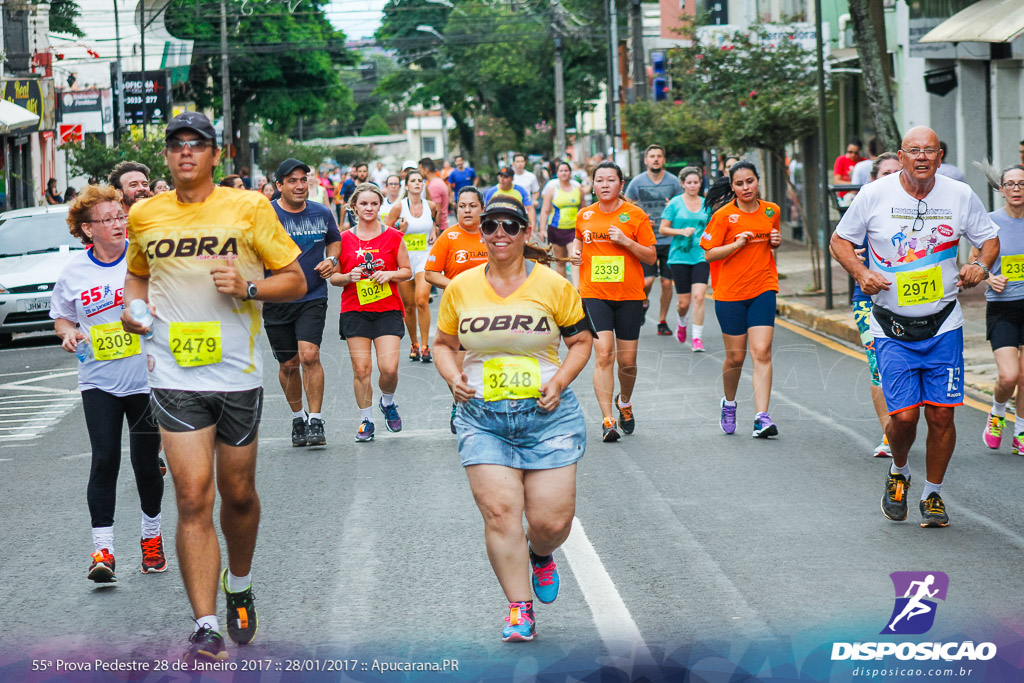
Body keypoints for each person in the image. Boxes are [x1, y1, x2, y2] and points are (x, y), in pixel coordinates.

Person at [120, 111, 306, 662]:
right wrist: (133, 309)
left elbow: (294, 280)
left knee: (238, 494)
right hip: (173, 372)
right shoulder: (144, 215)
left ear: (214, 154)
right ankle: (204, 624)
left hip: (237, 373)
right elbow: (136, 274)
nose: (184, 153)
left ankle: (240, 583)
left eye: (195, 145)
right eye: (175, 144)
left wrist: (249, 286)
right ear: (167, 156)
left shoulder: (248, 207)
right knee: (193, 494)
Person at [433, 194, 594, 642]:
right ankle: (519, 608)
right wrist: (452, 377)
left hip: (549, 415)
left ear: (525, 232)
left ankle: (540, 554)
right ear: (480, 232)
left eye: (509, 226)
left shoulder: (553, 285)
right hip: (482, 415)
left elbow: (582, 341)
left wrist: (560, 381)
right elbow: (444, 344)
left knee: (550, 524)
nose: (499, 234)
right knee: (501, 512)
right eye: (491, 226)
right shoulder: (462, 286)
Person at [831, 125, 999, 529]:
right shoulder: (874, 194)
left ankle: (933, 494)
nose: (921, 157)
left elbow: (989, 239)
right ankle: (900, 472)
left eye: (929, 151)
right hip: (892, 327)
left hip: (944, 323)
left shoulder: (959, 196)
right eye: (913, 151)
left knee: (942, 415)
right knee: (904, 417)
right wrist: (860, 271)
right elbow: (840, 241)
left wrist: (979, 264)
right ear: (901, 156)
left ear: (940, 157)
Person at [51, 185, 165, 584]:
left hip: (146, 378)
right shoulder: (73, 273)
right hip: (98, 380)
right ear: (87, 229)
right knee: (104, 460)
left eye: (121, 216)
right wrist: (68, 334)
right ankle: (103, 549)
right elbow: (62, 317)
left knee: (146, 464)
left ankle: (151, 540)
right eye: (109, 219)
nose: (119, 223)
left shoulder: (144, 259)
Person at [571, 161, 657, 442]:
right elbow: (579, 245)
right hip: (595, 293)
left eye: (611, 180)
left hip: (629, 295)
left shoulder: (635, 215)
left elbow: (651, 257)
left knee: (628, 362)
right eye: (599, 180)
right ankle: (607, 419)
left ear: (621, 184)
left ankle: (626, 402)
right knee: (604, 353)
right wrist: (575, 255)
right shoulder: (584, 216)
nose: (605, 184)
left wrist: (626, 242)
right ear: (592, 185)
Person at [701, 161, 783, 438]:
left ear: (758, 182)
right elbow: (709, 254)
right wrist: (735, 245)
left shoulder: (772, 211)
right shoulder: (724, 216)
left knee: (762, 351)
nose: (746, 188)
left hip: (763, 287)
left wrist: (775, 241)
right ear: (732, 187)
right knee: (735, 357)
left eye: (750, 181)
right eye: (739, 184)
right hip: (730, 293)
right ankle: (729, 403)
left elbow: (772, 241)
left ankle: (762, 416)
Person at [266, 159, 342, 447]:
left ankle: (316, 420)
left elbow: (335, 240)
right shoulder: (266, 215)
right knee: (288, 364)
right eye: (293, 181)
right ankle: (298, 418)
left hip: (312, 295)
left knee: (309, 356)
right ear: (280, 186)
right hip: (277, 297)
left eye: (303, 180)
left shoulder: (322, 212)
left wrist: (332, 260)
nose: (300, 186)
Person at [329, 183, 411, 442]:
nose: (369, 208)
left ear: (380, 206)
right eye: (363, 203)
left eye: (374, 204)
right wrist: (347, 276)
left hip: (387, 309)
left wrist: (389, 273)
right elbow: (333, 278)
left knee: (389, 369)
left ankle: (387, 402)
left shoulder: (394, 237)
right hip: (355, 309)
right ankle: (366, 420)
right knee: (362, 369)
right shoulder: (343, 239)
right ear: (354, 206)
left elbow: (407, 271)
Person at [842, 152, 902, 458]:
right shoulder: (862, 207)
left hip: (912, 302)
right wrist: (855, 264)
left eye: (896, 171)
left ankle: (905, 422)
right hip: (867, 302)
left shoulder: (916, 209)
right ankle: (890, 434)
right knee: (879, 367)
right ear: (873, 179)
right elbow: (838, 246)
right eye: (884, 173)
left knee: (904, 368)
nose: (891, 177)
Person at [425, 187, 490, 432]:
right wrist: (458, 284)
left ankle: (489, 407)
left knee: (489, 361)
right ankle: (459, 406)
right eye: (462, 206)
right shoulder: (449, 237)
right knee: (460, 367)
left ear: (482, 208)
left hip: (492, 311)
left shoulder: (491, 234)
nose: (467, 211)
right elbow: (430, 274)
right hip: (459, 313)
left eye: (472, 206)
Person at [977, 164, 1024, 453]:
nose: (1017, 189)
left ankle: (1021, 431)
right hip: (1003, 308)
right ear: (1001, 189)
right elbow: (974, 262)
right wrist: (990, 277)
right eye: (1011, 184)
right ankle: (997, 412)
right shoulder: (990, 223)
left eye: (1022, 183)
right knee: (1009, 376)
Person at [625, 144, 683, 335]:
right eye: (652, 156)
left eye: (659, 156)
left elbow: (682, 208)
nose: (656, 159)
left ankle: (662, 321)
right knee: (647, 282)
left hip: (669, 240)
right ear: (646, 160)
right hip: (646, 240)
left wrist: (673, 209)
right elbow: (625, 208)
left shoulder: (674, 182)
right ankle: (643, 302)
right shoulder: (636, 182)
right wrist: (638, 218)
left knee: (667, 283)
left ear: (664, 160)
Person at [386, 170, 438, 362]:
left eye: (420, 181)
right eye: (413, 181)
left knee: (422, 300)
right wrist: (400, 230)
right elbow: (386, 231)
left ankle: (425, 346)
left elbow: (433, 223)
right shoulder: (399, 207)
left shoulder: (430, 205)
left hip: (424, 256)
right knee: (408, 306)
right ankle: (414, 344)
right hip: (405, 259)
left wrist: (434, 231)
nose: (417, 183)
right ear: (406, 185)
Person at [660, 166, 711, 351]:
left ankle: (697, 338)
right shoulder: (674, 203)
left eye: (696, 182)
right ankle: (682, 322)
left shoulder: (707, 204)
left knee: (698, 297)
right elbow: (663, 228)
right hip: (679, 256)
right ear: (682, 184)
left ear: (700, 184)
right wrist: (681, 231)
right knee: (684, 303)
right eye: (688, 182)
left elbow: (712, 228)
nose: (692, 186)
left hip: (700, 255)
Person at [538, 161, 582, 282]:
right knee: (560, 261)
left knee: (574, 258)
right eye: (561, 171)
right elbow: (545, 211)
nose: (564, 173)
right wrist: (542, 230)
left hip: (573, 229)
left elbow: (583, 209)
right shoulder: (552, 189)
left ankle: (577, 290)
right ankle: (563, 289)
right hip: (556, 229)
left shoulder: (578, 188)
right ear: (557, 173)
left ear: (570, 172)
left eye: (566, 171)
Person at [419, 157, 450, 232]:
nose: (419, 173)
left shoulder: (434, 186)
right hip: (443, 226)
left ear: (426, 171)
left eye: (420, 170)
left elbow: (437, 211)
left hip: (439, 228)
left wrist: (435, 229)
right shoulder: (439, 182)